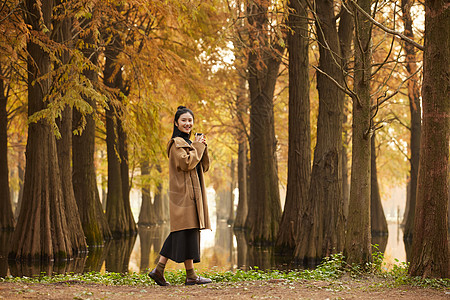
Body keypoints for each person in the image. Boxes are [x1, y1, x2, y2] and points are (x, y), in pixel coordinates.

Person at [149, 106, 212, 286]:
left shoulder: (190, 144)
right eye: (183, 120)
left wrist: (202, 146)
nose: (187, 123)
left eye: (190, 120)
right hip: (183, 195)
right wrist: (197, 147)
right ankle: (165, 271)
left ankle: (170, 272)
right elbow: (186, 164)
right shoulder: (176, 143)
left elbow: (204, 166)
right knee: (181, 231)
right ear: (176, 123)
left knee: (189, 231)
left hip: (192, 194)